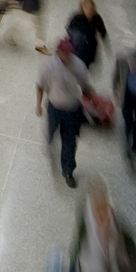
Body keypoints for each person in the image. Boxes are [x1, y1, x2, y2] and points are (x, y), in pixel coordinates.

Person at [35, 39, 91, 187]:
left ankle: (68, 171)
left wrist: (91, 105)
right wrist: (38, 105)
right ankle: (49, 141)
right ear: (58, 52)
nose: (66, 56)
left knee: (70, 142)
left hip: (72, 110)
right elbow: (40, 85)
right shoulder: (49, 66)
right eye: (63, 53)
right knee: (51, 132)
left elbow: (85, 87)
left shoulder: (79, 66)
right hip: (54, 108)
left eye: (68, 53)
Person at [64, 0, 108, 73]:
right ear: (82, 9)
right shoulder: (77, 18)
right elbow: (69, 30)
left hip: (91, 48)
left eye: (91, 9)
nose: (89, 11)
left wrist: (102, 39)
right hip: (78, 48)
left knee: (88, 67)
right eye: (87, 9)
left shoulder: (96, 18)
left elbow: (103, 31)